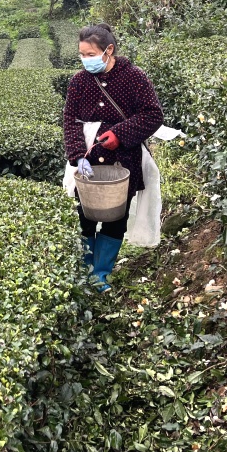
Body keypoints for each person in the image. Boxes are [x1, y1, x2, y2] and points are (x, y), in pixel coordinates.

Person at [63, 24, 163, 292]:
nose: (86, 60)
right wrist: (77, 155)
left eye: (90, 54)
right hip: (88, 156)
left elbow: (153, 115)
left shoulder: (134, 77)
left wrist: (120, 133)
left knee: (115, 217)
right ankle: (86, 271)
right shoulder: (79, 81)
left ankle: (101, 274)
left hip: (124, 159)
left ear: (108, 50)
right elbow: (70, 119)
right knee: (83, 216)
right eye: (82, 55)